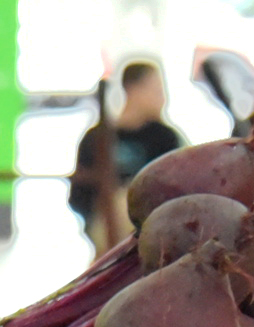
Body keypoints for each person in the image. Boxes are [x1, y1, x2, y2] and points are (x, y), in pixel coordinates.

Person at [69, 59, 180, 216]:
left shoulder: (163, 137)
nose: (162, 98)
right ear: (133, 89)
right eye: (156, 90)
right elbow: (79, 193)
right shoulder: (97, 138)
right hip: (106, 220)